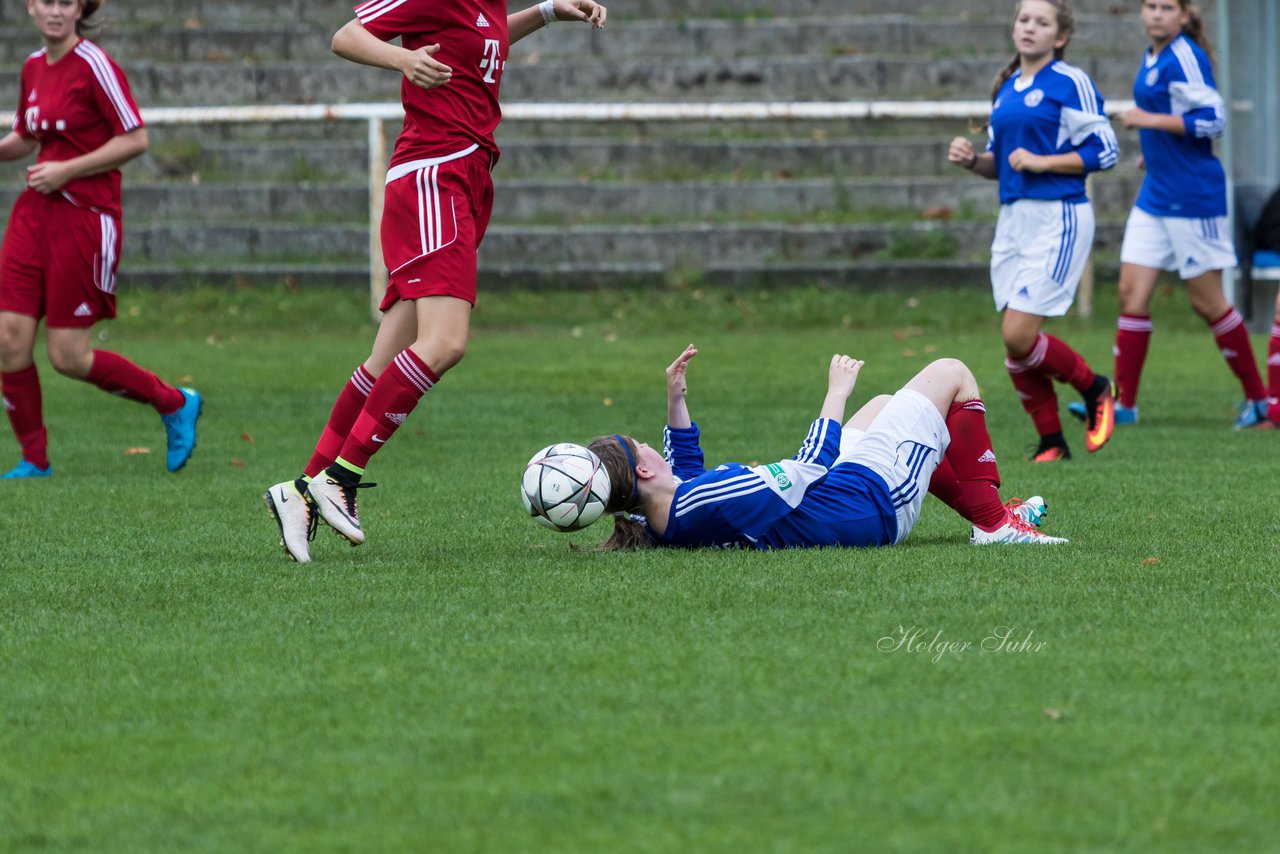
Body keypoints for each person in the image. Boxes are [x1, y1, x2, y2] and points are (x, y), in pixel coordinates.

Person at [263, 0, 608, 562]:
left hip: (465, 174)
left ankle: (302, 491)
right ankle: (341, 478)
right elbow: (345, 36)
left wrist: (546, 13)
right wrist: (403, 62)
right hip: (436, 173)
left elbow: (483, 41)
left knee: (387, 358)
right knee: (444, 342)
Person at [583, 344, 1068, 551]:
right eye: (638, 446)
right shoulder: (712, 499)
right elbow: (810, 464)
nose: (647, 444)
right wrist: (836, 391)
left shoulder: (659, 512)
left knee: (885, 404)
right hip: (870, 505)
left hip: (843, 491)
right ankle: (996, 526)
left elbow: (683, 468)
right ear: (642, 472)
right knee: (952, 373)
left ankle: (990, 514)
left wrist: (676, 396)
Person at [0, 0, 201, 480]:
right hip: (33, 216)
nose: (54, 11)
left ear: (79, 10)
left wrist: (67, 169)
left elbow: (135, 139)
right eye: (45, 1)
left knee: (67, 356)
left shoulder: (94, 64)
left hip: (85, 219)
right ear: (31, 8)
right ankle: (35, 460)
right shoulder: (32, 67)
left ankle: (174, 403)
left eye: (65, 3)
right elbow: (26, 138)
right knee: (9, 340)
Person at [1066, 0, 1269, 430]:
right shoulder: (1152, 55)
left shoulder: (1185, 55)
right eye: (1150, 5)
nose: (1156, 13)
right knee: (1130, 293)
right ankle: (1124, 405)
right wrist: (1155, 154)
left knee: (1207, 301)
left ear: (1183, 15)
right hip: (1156, 191)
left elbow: (1213, 120)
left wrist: (1147, 120)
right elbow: (1178, 124)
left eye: (1166, 7)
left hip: (1193, 195)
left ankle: (1260, 400)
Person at [947, 0, 1120, 462]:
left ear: (1059, 37)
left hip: (1058, 216)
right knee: (1015, 341)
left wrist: (1044, 161)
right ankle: (1052, 442)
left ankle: (1097, 388)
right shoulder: (1006, 89)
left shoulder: (1070, 82)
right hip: (1014, 222)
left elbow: (1106, 150)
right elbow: (1000, 165)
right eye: (1024, 19)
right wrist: (973, 161)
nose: (1029, 27)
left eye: (1041, 22)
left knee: (1018, 334)